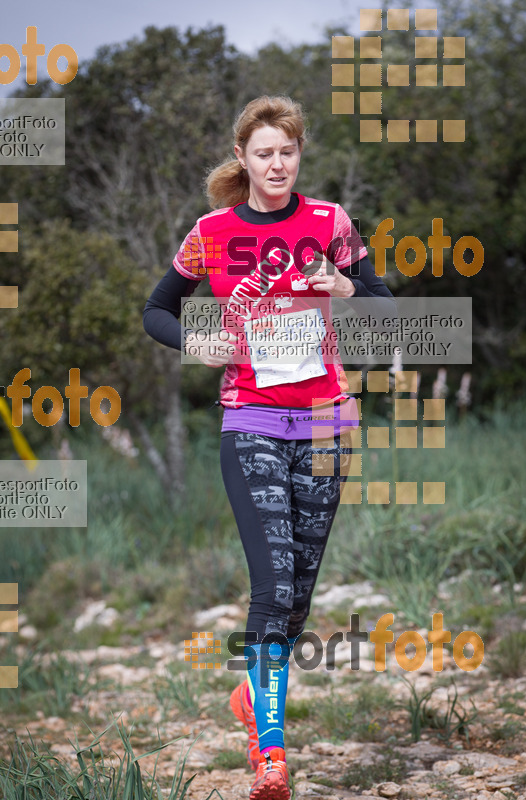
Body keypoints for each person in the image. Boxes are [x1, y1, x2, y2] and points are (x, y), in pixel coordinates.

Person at [143, 95, 394, 800]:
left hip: (324, 424)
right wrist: (200, 340)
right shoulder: (212, 232)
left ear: (298, 154)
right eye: (262, 152)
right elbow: (155, 309)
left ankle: (254, 700)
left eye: (286, 151)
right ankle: (272, 760)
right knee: (272, 584)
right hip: (248, 417)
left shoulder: (330, 224)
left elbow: (384, 309)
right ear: (242, 158)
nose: (275, 163)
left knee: (298, 601)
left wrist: (343, 285)